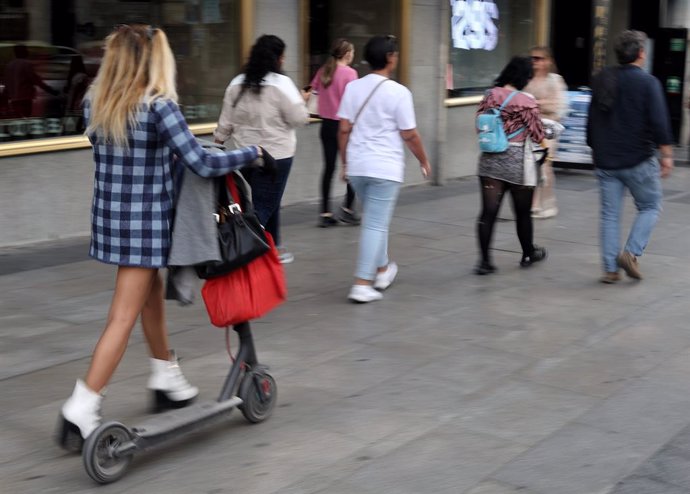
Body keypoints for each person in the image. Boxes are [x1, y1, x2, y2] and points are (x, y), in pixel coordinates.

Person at [56, 24, 268, 450]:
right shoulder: (158, 106)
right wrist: (252, 154)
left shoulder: (95, 102)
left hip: (110, 220)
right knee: (122, 315)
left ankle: (165, 376)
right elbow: (201, 163)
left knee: (149, 294)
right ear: (149, 60)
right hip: (146, 224)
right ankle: (81, 407)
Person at [337, 35, 431, 303]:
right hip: (384, 167)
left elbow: (343, 130)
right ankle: (362, 283)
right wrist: (423, 160)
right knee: (375, 223)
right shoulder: (399, 92)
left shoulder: (353, 88)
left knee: (374, 221)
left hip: (357, 165)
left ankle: (382, 269)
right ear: (390, 57)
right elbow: (410, 134)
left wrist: (345, 162)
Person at [587, 30, 673, 284]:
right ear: (641, 54)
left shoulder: (601, 77)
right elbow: (659, 121)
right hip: (638, 159)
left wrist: (594, 147)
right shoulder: (648, 83)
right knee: (650, 205)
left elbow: (591, 120)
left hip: (606, 159)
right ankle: (631, 253)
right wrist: (666, 154)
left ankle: (610, 269)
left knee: (610, 215)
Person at [215, 34, 309, 264]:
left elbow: (225, 122)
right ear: (277, 58)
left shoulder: (236, 83)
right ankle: (242, 252)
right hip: (277, 156)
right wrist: (302, 100)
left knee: (266, 199)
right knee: (263, 208)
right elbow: (299, 118)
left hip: (244, 156)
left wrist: (217, 143)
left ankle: (274, 246)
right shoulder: (282, 84)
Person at [474, 56, 547, 275]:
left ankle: (484, 262)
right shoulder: (526, 101)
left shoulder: (490, 95)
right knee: (522, 213)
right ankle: (527, 253)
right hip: (517, 162)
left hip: (489, 162)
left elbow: (480, 125)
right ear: (523, 77)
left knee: (488, 213)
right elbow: (537, 133)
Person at [308, 38, 360, 227]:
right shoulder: (351, 74)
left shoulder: (324, 70)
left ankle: (325, 213)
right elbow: (355, 101)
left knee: (328, 168)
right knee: (352, 167)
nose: (353, 56)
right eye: (352, 52)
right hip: (344, 127)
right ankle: (347, 209)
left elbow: (310, 89)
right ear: (347, 54)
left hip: (326, 126)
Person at [524, 46, 567, 219]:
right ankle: (534, 203)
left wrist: (536, 103)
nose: (536, 62)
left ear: (547, 61)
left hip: (549, 129)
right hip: (530, 127)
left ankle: (548, 203)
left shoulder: (555, 80)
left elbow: (558, 105)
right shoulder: (527, 79)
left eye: (539, 58)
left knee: (544, 166)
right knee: (530, 166)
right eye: (533, 58)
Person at [3, 44, 59, 117]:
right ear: (23, 52)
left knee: (18, 118)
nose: (27, 52)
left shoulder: (9, 65)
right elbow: (36, 80)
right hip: (24, 99)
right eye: (26, 50)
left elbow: (6, 84)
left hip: (13, 100)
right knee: (26, 118)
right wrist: (51, 90)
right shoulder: (26, 64)